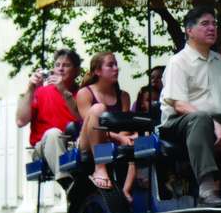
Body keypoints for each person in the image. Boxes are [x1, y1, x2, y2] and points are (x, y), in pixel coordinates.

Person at [159, 5, 221, 208]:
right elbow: (179, 104)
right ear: (189, 31)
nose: (212, 28)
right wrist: (213, 123)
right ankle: (207, 189)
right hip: (182, 123)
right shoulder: (178, 62)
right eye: (205, 24)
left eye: (214, 24)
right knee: (201, 120)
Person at [15, 48, 83, 186]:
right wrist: (30, 88)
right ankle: (66, 183)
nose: (61, 69)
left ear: (77, 71)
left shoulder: (83, 93)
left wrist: (63, 90)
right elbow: (20, 121)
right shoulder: (41, 92)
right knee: (54, 133)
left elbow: (82, 118)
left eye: (66, 65)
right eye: (57, 65)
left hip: (74, 145)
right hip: (43, 148)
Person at [75, 52, 136, 198]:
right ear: (97, 71)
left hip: (113, 140)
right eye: (110, 65)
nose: (116, 68)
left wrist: (124, 137)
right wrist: (120, 138)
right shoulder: (85, 93)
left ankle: (129, 190)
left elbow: (125, 126)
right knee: (98, 109)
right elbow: (90, 126)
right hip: (88, 142)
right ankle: (100, 166)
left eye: (116, 64)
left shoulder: (123, 96)